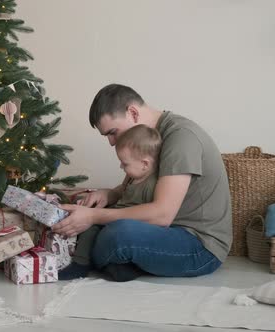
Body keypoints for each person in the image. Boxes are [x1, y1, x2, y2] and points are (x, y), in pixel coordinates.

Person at [53, 84, 232, 282]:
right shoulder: (143, 140)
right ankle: (118, 262)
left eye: (113, 132)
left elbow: (162, 215)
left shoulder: (181, 138)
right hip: (166, 231)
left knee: (119, 234)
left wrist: (93, 217)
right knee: (94, 221)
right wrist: (108, 194)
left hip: (199, 246)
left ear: (133, 112)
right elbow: (129, 189)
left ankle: (102, 258)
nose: (112, 142)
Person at [59, 124, 162, 280]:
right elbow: (120, 194)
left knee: (91, 228)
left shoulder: (153, 184)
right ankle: (105, 262)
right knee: (86, 217)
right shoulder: (133, 177)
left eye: (125, 163)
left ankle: (81, 265)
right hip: (116, 216)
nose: (121, 166)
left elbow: (149, 217)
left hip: (130, 224)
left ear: (145, 164)